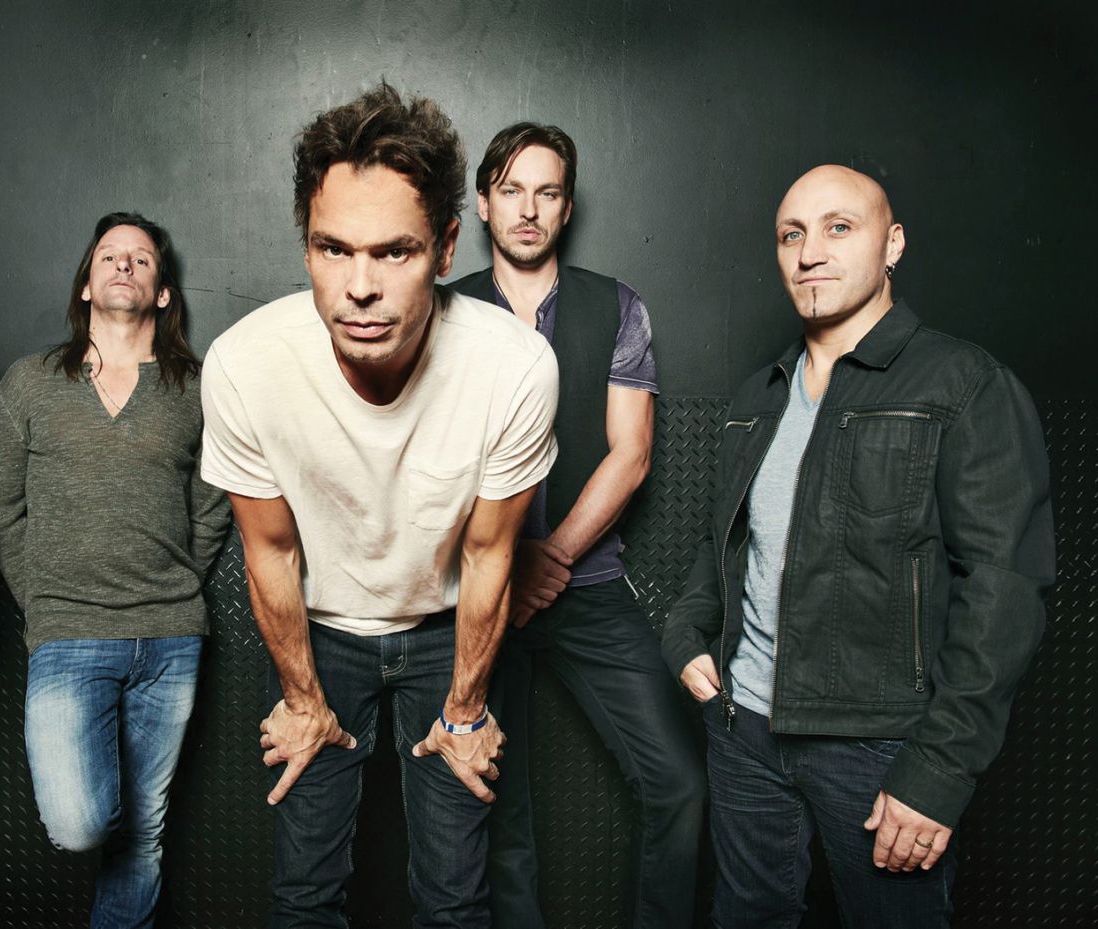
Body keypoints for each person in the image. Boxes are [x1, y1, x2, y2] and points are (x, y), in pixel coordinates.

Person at [199, 84, 559, 928]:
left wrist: (465, 709)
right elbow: (270, 551)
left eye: (395, 252)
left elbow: (490, 554)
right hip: (318, 632)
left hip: (446, 631)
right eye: (333, 248)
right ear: (306, 244)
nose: (359, 286)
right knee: (304, 891)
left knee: (454, 895)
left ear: (446, 247)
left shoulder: (513, 368)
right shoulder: (245, 364)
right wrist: (302, 699)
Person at [661, 164, 1054, 928]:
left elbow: (1005, 591)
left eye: (838, 228)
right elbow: (725, 542)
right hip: (745, 730)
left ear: (892, 243)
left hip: (880, 748)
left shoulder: (964, 383)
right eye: (792, 235)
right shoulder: (758, 395)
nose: (810, 252)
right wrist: (685, 633)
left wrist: (937, 770)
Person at [449, 123, 704, 929]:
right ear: (483, 203)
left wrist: (551, 556)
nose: (529, 209)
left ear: (566, 208)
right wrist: (503, 566)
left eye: (547, 192)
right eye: (512, 191)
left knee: (679, 783)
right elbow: (426, 458)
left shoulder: (616, 306)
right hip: (476, 596)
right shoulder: (442, 312)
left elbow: (632, 454)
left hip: (586, 585)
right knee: (492, 800)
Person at [0, 211, 230, 929]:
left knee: (145, 833)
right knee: (80, 823)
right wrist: (45, 599)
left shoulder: (196, 388)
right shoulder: (30, 383)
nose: (124, 264)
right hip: (67, 634)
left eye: (141, 258)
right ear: (86, 285)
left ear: (163, 292)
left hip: (171, 636)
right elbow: (3, 508)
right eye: (109, 256)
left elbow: (213, 504)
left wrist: (175, 580)